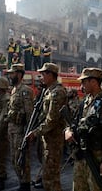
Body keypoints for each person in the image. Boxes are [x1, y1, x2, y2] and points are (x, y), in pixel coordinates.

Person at [64, 68, 102, 190]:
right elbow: (74, 122)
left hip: (98, 157)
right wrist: (68, 131)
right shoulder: (84, 101)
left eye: (84, 82)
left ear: (94, 82)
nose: (81, 85)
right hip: (81, 155)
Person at [26, 63, 67, 191]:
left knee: (51, 178)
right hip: (47, 138)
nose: (41, 77)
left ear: (50, 75)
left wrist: (35, 132)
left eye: (43, 74)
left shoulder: (57, 92)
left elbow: (51, 120)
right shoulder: (48, 91)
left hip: (53, 140)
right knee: (47, 176)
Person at [7, 64, 34, 191]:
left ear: (18, 74)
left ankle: (25, 184)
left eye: (12, 73)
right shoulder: (13, 90)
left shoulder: (26, 90)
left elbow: (29, 114)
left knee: (22, 159)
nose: (10, 76)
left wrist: (29, 133)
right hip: (12, 129)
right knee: (14, 159)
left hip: (21, 131)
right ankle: (21, 182)